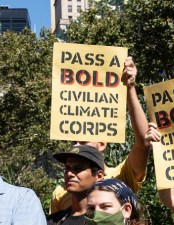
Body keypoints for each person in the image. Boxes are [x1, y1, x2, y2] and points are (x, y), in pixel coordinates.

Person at [48, 57, 159, 214]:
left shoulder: (119, 176)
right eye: (74, 141)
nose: (77, 145)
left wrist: (129, 87)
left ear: (102, 144)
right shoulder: (61, 192)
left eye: (84, 141)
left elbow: (142, 143)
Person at [39, 145, 107, 225]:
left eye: (78, 168)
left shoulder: (106, 222)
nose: (69, 174)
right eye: (67, 168)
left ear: (99, 176)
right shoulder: (50, 223)